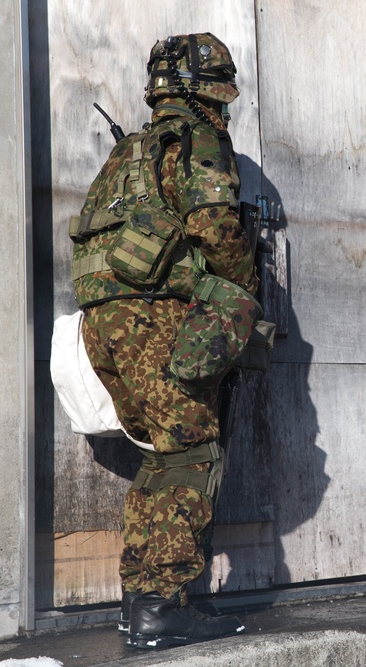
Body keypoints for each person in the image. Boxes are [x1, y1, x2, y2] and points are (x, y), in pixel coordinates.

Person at [69, 33, 258, 647]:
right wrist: (238, 294)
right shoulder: (199, 141)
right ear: (208, 92)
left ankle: (139, 599)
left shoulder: (125, 155)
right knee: (192, 453)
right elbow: (217, 228)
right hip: (157, 319)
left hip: (104, 323)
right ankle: (163, 605)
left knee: (161, 453)